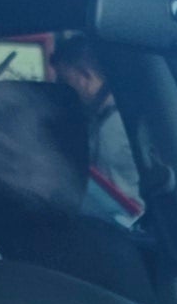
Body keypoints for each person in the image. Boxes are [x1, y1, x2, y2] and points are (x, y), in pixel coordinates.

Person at [50, 32, 145, 224]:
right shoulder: (98, 120)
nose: (61, 89)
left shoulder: (120, 127)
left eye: (65, 81)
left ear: (86, 75)